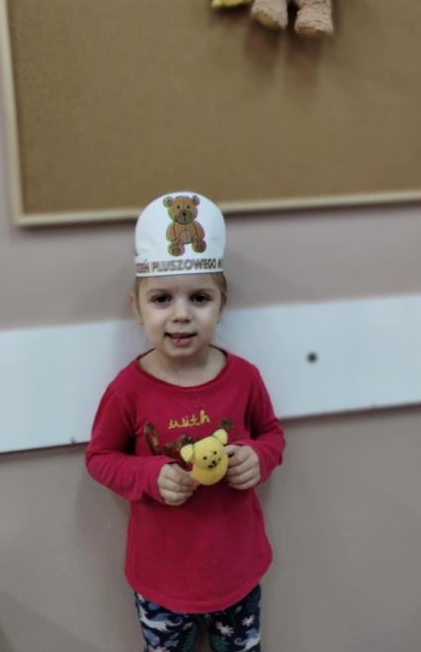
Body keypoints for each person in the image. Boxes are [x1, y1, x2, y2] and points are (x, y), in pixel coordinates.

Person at [86, 191, 285, 652]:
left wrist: (258, 457)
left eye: (199, 298)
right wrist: (149, 475)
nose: (181, 314)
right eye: (161, 299)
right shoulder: (127, 390)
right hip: (160, 580)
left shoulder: (245, 378)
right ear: (137, 308)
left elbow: (272, 436)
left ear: (221, 305)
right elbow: (99, 458)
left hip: (237, 572)